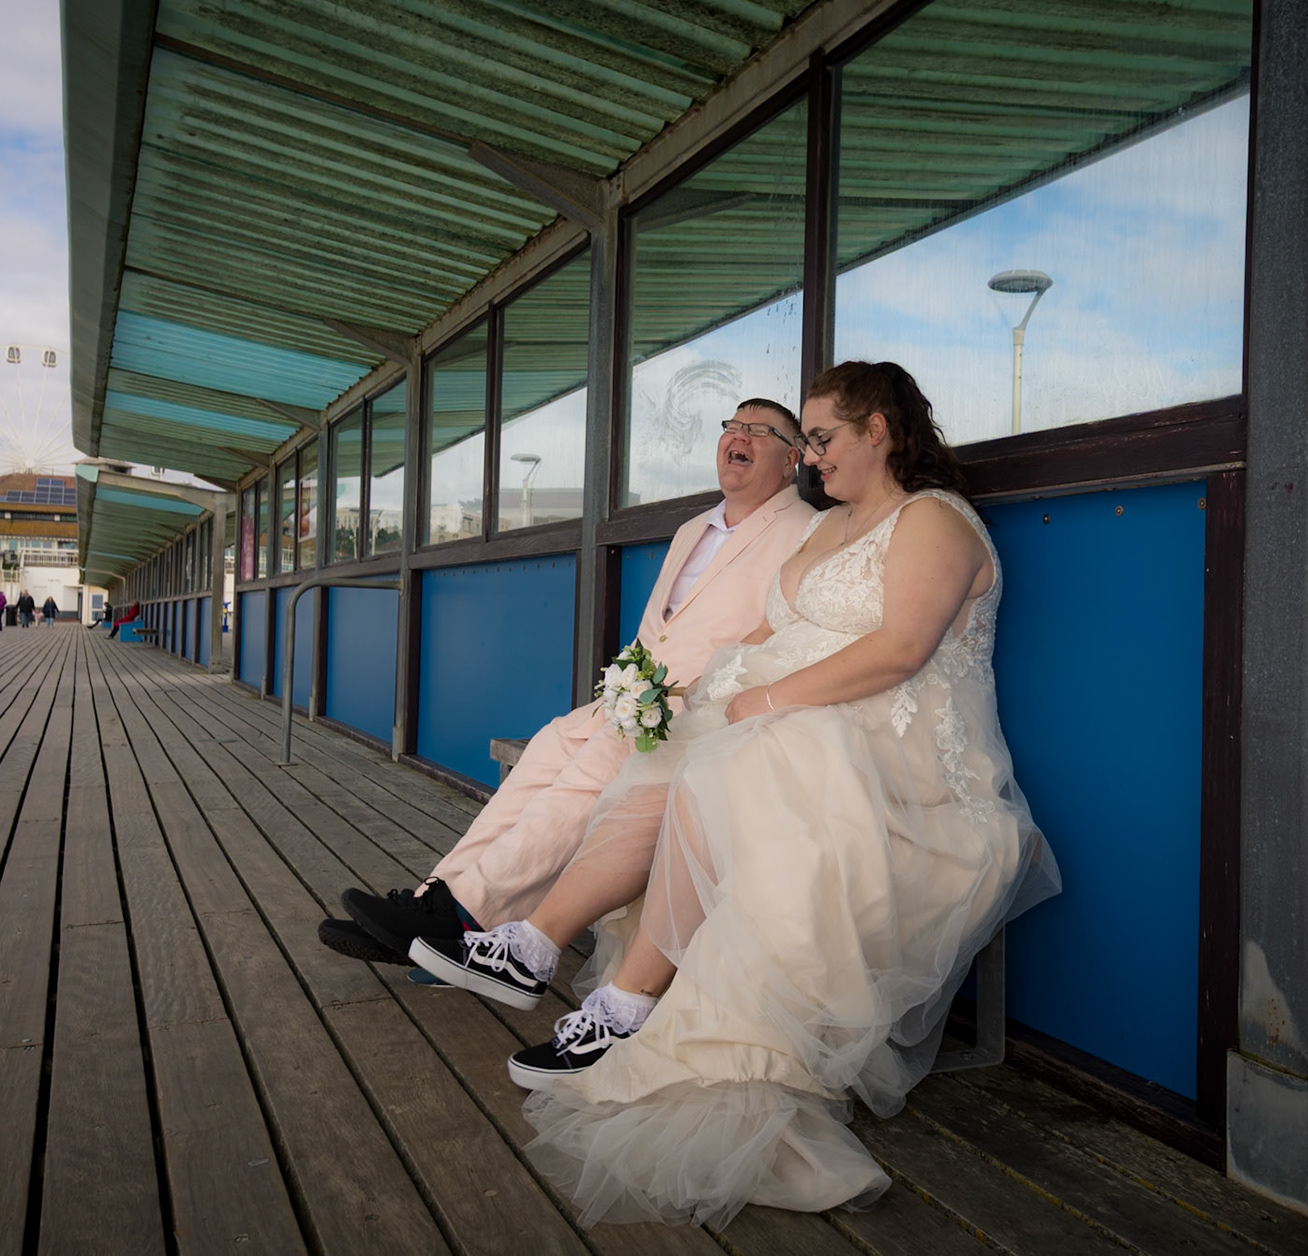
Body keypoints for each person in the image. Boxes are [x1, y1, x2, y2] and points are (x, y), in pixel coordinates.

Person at [410, 362, 1060, 1229]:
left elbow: (902, 649)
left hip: (898, 761)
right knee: (670, 757)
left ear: (879, 430)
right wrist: (691, 694)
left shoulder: (933, 520)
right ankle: (536, 947)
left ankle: (623, 1003)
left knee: (717, 766)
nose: (813, 457)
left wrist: (764, 700)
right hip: (800, 721)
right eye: (810, 442)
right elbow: (767, 628)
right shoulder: (834, 526)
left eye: (822, 439)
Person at [322, 400, 817, 965]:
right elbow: (655, 631)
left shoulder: (802, 532)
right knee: (547, 749)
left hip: (695, 720)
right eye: (732, 426)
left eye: (760, 431)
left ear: (792, 460)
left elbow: (779, 639)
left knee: (589, 772)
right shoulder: (691, 530)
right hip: (634, 703)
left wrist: (676, 700)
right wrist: (626, 691)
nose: (740, 437)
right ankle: (431, 901)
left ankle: (463, 916)